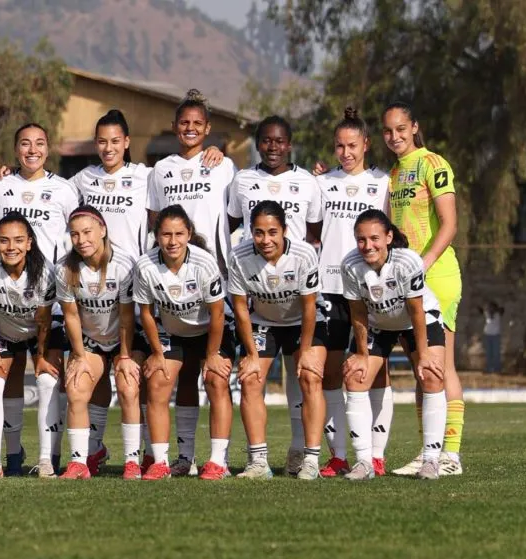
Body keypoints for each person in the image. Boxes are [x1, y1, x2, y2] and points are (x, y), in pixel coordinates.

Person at [0, 123, 80, 474]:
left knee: (49, 378)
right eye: (24, 143)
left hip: (47, 300)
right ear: (15, 148)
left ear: (48, 149)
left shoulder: (65, 189)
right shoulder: (0, 186)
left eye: (39, 143)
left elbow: (79, 238)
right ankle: (4, 459)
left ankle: (48, 460)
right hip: (7, 303)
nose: (32, 150)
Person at [145, 90, 237, 476]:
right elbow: (153, 222)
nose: (190, 129)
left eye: (197, 124)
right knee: (180, 379)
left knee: (215, 374)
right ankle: (183, 458)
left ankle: (219, 459)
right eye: (184, 123)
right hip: (173, 285)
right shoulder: (160, 170)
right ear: (174, 126)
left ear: (208, 129)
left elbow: (235, 217)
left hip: (214, 277)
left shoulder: (223, 165)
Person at [227, 115, 323, 477]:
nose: (272, 147)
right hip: (263, 316)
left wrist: (309, 350)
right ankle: (258, 462)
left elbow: (311, 307)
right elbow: (239, 308)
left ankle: (309, 458)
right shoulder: (240, 252)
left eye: (279, 140)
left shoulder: (303, 251)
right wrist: (251, 354)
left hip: (300, 316)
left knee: (310, 375)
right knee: (251, 377)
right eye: (265, 140)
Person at [382, 101, 465, 476]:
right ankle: (428, 451)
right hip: (407, 282)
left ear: (414, 127)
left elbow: (449, 225)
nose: (395, 136)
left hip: (436, 277)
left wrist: (423, 263)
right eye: (388, 131)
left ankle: (451, 454)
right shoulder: (395, 174)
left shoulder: (434, 164)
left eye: (401, 128)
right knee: (422, 369)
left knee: (441, 365)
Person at [313, 108, 393, 477]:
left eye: (352, 146)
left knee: (375, 370)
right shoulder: (322, 183)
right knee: (330, 371)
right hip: (329, 288)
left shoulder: (382, 183)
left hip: (370, 289)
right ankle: (339, 455)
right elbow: (313, 232)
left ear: (366, 144)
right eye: (339, 146)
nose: (345, 153)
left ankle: (375, 453)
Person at [341, 209, 447, 480]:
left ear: (389, 237)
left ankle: (431, 460)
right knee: (355, 377)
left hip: (418, 320)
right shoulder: (350, 265)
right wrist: (362, 354)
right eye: (361, 239)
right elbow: (358, 312)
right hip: (378, 323)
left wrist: (423, 355)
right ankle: (364, 462)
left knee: (432, 375)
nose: (368, 246)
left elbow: (416, 310)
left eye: (374, 238)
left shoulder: (408, 262)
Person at [134, 205, 236, 480]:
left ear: (189, 234)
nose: (172, 241)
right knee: (157, 380)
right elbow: (146, 312)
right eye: (166, 234)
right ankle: (162, 462)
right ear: (157, 236)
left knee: (216, 378)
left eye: (179, 233)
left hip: (210, 331)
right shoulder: (145, 266)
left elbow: (217, 314)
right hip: (173, 332)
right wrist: (156, 352)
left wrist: (213, 354)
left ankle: (217, 462)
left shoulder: (204, 263)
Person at [0, 213, 62, 478]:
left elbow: (45, 318)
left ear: (29, 243)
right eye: (4, 241)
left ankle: (46, 460)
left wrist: (42, 356)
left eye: (18, 240)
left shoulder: (46, 272)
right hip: (5, 331)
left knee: (47, 381)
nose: (11, 247)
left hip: (41, 332)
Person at [57, 206, 141, 480]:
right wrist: (79, 356)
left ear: (103, 230)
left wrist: (126, 356)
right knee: (76, 387)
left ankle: (132, 461)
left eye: (87, 232)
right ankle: (80, 461)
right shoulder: (65, 268)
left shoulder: (124, 263)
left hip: (125, 339)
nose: (81, 240)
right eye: (75, 234)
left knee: (128, 387)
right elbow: (70, 316)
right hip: (91, 341)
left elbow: (128, 317)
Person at [480, 302, 503, 374]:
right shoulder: (487, 314)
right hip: (487, 335)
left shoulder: (498, 314)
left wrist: (495, 309)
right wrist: (486, 309)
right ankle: (489, 369)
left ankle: (497, 369)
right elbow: (480, 310)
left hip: (496, 336)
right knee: (488, 353)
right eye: (490, 308)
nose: (491, 309)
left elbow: (502, 309)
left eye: (492, 307)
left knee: (496, 353)